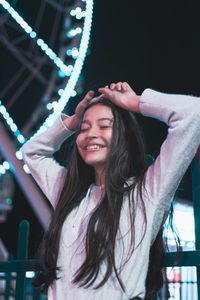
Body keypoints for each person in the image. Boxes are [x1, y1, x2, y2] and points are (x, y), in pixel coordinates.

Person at [22, 82, 200, 300]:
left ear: (123, 136)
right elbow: (31, 153)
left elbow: (194, 113)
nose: (90, 134)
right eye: (84, 128)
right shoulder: (69, 194)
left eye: (104, 126)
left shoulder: (147, 193)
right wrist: (70, 123)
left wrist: (136, 103)